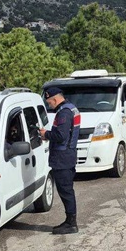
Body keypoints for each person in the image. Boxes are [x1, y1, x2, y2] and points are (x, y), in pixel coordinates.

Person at [39, 86, 81, 234]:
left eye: (49, 102)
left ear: (55, 99)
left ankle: (71, 223)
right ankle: (70, 221)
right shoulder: (71, 108)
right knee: (67, 190)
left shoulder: (64, 112)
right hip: (67, 155)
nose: (49, 105)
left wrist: (46, 134)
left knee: (66, 191)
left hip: (62, 158)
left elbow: (61, 136)